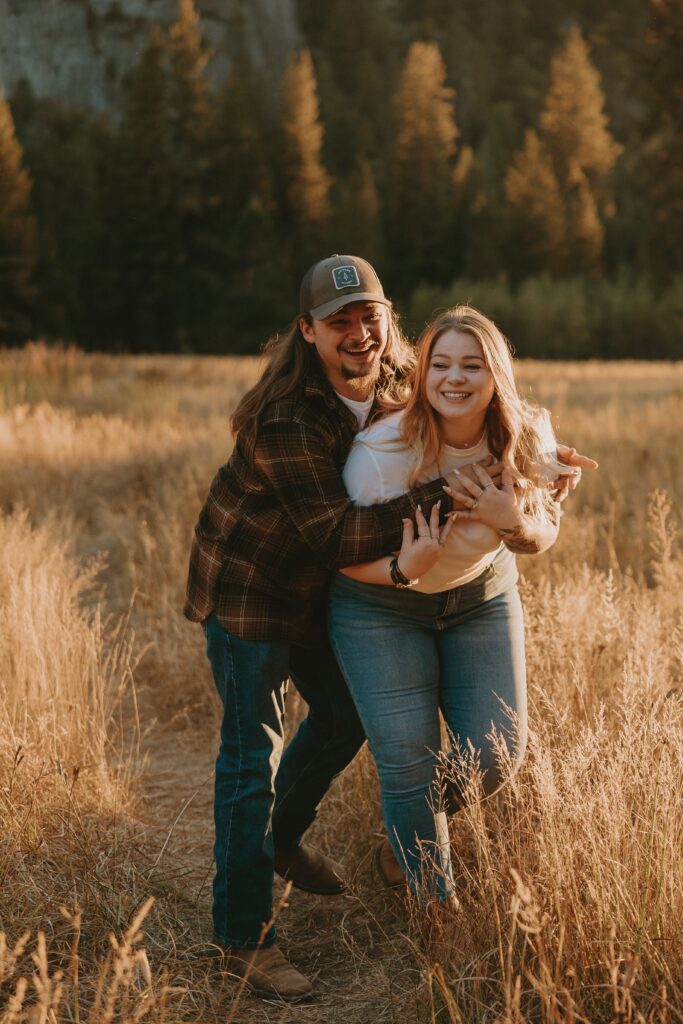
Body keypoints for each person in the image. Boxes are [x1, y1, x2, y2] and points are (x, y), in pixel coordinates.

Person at [184, 257, 593, 1000]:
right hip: (257, 590)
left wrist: (533, 462)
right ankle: (241, 940)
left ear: (387, 317)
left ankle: (279, 838)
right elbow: (340, 537)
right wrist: (485, 489)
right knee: (252, 758)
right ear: (306, 331)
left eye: (368, 314)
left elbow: (475, 394)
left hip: (333, 589)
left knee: (341, 720)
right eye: (337, 320)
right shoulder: (287, 417)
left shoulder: (403, 370)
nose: (358, 332)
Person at [327, 305, 584, 904]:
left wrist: (513, 520)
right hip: (380, 607)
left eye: (472, 365)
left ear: (496, 375)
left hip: (482, 599)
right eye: (440, 363)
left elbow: (545, 534)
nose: (454, 378)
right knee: (408, 761)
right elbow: (336, 554)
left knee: (498, 753)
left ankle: (405, 824)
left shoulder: (525, 434)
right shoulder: (379, 454)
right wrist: (400, 568)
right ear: (422, 377)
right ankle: (435, 913)